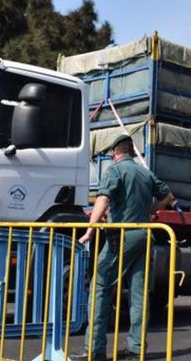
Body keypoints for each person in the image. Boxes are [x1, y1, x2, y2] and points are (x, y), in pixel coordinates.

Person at [73, 134, 175, 361]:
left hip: (122, 236)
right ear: (130, 151)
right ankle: (136, 349)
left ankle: (94, 349)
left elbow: (102, 199)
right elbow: (167, 195)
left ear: (114, 153)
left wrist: (89, 231)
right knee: (139, 295)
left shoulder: (115, 170)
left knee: (100, 286)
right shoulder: (145, 173)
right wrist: (150, 210)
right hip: (144, 235)